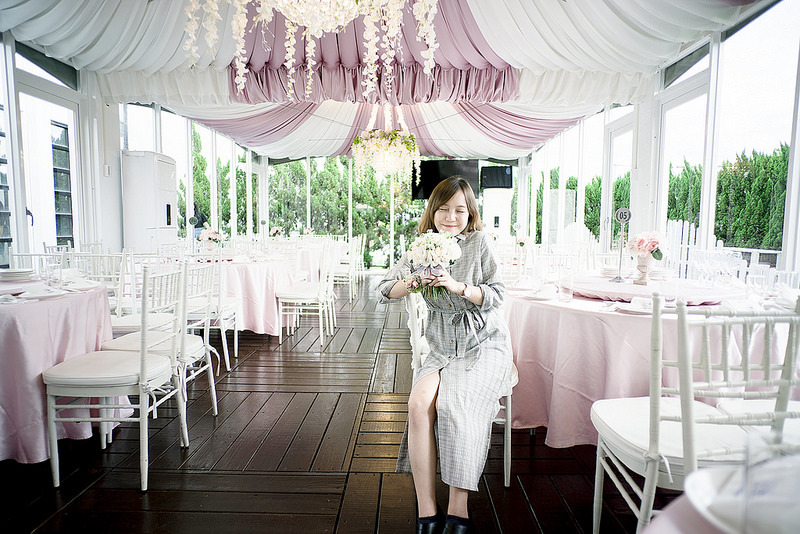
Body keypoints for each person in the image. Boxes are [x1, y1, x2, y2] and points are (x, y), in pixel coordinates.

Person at [377, 176, 515, 534]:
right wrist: (412, 282)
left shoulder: (481, 242)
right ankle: (426, 510)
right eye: (443, 209)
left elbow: (498, 294)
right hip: (442, 345)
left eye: (459, 210)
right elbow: (384, 289)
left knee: (456, 403)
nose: (451, 216)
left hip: (483, 343)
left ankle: (458, 509)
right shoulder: (421, 246)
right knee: (417, 403)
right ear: (432, 211)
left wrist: (459, 287)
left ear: (470, 212)